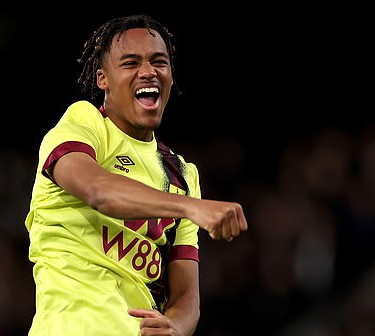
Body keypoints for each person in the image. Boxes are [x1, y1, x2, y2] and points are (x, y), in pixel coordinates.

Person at [24, 14, 248, 336]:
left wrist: (176, 327)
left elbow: (187, 298)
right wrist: (188, 207)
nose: (148, 71)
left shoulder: (182, 175)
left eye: (160, 61)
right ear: (103, 79)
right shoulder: (85, 125)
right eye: (130, 63)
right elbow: (97, 189)